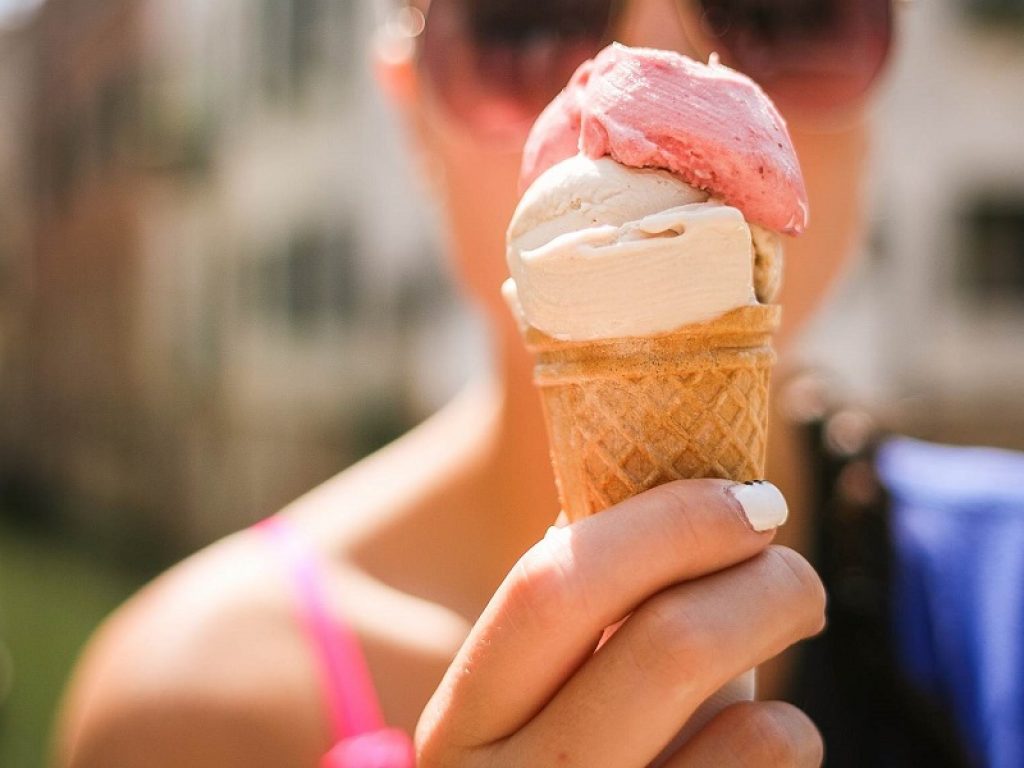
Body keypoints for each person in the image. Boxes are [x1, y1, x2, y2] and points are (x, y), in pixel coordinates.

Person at [54, 1, 892, 766]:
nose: (653, 71)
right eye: (525, 21)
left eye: (783, 12)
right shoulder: (185, 714)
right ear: (410, 107)